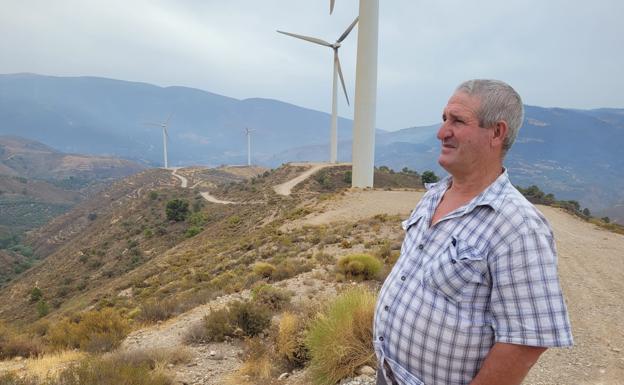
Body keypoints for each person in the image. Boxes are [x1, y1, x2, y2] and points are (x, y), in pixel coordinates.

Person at [373, 79, 573, 385]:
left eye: (457, 121)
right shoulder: (434, 195)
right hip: (388, 374)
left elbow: (525, 340)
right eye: (444, 120)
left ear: (496, 132)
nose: (442, 132)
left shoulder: (518, 225)